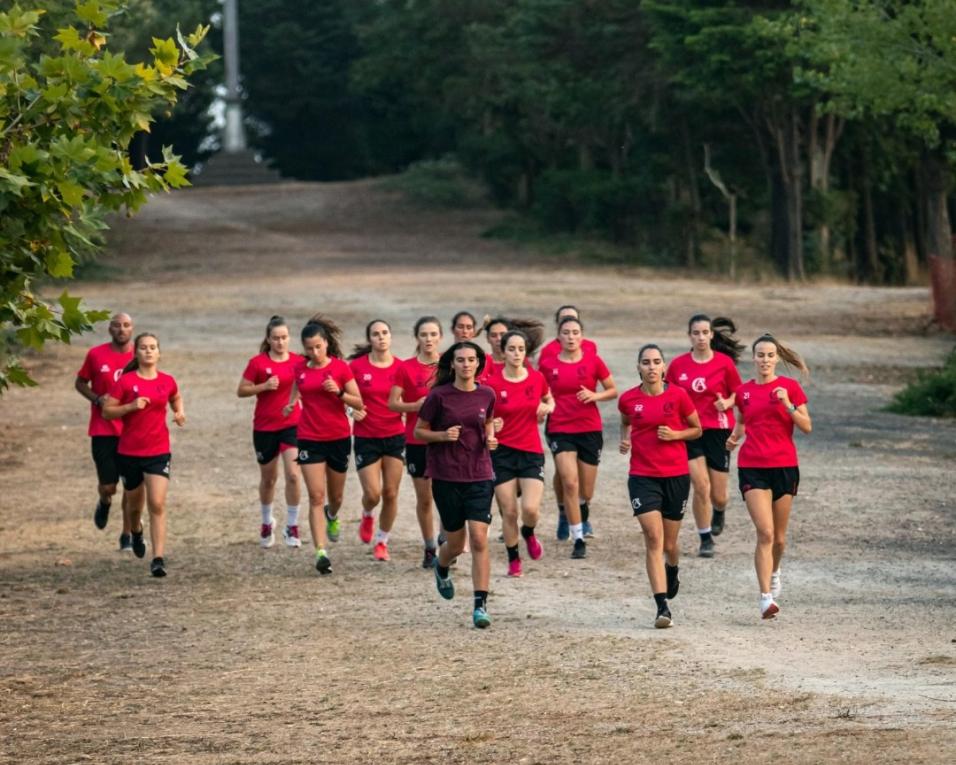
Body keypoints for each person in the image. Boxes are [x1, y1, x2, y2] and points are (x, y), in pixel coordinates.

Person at [727, 334, 811, 620]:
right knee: (765, 532)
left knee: (780, 540)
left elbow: (807, 426)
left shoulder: (790, 388)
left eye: (770, 355)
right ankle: (765, 598)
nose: (765, 360)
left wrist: (787, 404)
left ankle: (775, 570)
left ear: (777, 358)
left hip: (784, 467)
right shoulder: (743, 391)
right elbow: (741, 421)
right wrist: (734, 438)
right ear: (754, 359)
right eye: (760, 355)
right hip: (752, 466)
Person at [415, 341, 498, 628]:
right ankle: (441, 566)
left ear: (478, 363)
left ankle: (480, 605)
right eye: (460, 360)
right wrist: (442, 436)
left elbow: (486, 421)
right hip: (447, 476)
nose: (466, 364)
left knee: (478, 538)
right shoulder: (439, 396)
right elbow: (419, 431)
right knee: (455, 543)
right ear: (452, 364)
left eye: (471, 360)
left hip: (480, 474)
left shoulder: (487, 393)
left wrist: (491, 437)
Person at [619, 344, 701, 628]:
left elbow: (697, 429)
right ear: (638, 368)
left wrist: (676, 434)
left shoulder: (678, 395)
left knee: (669, 543)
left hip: (676, 476)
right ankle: (662, 607)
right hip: (642, 476)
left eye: (656, 362)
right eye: (646, 362)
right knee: (653, 538)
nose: (651, 367)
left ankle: (673, 568)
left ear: (664, 367)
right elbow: (626, 421)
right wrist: (625, 438)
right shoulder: (628, 399)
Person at [284, 315, 364, 575]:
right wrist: (290, 402)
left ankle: (333, 514)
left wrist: (339, 392)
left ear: (326, 344)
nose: (314, 352)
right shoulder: (300, 368)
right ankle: (321, 551)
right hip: (309, 437)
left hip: (338, 437)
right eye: (309, 348)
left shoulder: (341, 368)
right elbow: (297, 386)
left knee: (335, 497)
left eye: (318, 346)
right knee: (316, 496)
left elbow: (358, 402)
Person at [102, 332, 185, 577]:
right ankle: (136, 530)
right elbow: (107, 412)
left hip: (158, 451)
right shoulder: (126, 382)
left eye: (152, 347)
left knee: (157, 503)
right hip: (129, 453)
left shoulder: (167, 380)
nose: (148, 351)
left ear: (159, 352)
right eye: (143, 348)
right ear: (136, 353)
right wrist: (129, 406)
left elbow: (175, 397)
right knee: (134, 507)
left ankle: (158, 558)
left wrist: (179, 412)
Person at [538, 315, 617, 559]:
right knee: (569, 482)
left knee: (586, 491)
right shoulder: (549, 364)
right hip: (560, 428)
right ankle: (578, 537)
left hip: (589, 428)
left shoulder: (594, 361)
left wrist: (595, 396)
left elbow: (612, 390)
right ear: (558, 337)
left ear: (582, 336)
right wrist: (542, 407)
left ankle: (581, 513)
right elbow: (539, 392)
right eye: (566, 333)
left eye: (575, 332)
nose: (571, 337)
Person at [667, 315, 744, 557]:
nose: (700, 337)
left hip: (718, 429)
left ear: (711, 335)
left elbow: (738, 394)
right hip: (690, 431)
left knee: (718, 495)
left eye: (704, 332)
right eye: (696, 333)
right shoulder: (678, 365)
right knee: (700, 485)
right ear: (689, 336)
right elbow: (667, 395)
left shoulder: (724, 364)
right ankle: (705, 537)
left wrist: (727, 402)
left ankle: (719, 510)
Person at [485, 330, 553, 576]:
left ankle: (529, 532)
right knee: (509, 511)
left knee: (530, 510)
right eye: (511, 349)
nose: (516, 354)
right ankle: (514, 559)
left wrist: (547, 407)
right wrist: (492, 426)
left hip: (530, 452)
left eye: (521, 349)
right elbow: (482, 417)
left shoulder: (536, 378)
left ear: (526, 352)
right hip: (501, 454)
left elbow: (549, 398)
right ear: (503, 352)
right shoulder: (492, 384)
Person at [236, 315, 303, 549]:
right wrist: (263, 386)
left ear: (289, 338)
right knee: (269, 478)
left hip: (292, 425)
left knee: (294, 475)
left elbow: (308, 385)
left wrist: (296, 401)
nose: (280, 342)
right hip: (265, 427)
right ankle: (267, 521)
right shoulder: (257, 363)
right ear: (268, 339)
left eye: (284, 338)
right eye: (276, 338)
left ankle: (292, 525)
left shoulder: (298, 361)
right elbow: (241, 390)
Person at [75, 313, 135, 550]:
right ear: (110, 329)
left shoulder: (140, 356)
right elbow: (80, 383)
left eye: (126, 325)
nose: (121, 329)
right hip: (103, 429)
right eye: (117, 325)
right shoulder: (96, 355)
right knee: (110, 485)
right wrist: (98, 399)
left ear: (132, 329)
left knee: (131, 486)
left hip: (131, 431)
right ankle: (104, 500)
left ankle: (127, 534)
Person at [538, 305, 598, 539]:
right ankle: (565, 514)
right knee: (566, 475)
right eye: (564, 322)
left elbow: (597, 378)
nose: (570, 330)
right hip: (559, 421)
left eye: (574, 322)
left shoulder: (590, 347)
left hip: (586, 423)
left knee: (584, 482)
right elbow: (541, 386)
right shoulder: (548, 352)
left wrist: (594, 396)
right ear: (558, 327)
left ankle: (581, 512)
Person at [348, 319, 404, 561]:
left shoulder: (401, 368)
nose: (381, 337)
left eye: (384, 333)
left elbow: (414, 396)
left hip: (394, 435)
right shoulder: (356, 367)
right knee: (373, 494)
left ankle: (382, 541)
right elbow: (342, 397)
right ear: (369, 339)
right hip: (366, 436)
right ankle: (368, 513)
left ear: (390, 337)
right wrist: (352, 411)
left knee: (391, 493)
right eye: (376, 334)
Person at [389, 316, 443, 568]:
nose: (429, 339)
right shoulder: (406, 368)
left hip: (446, 440)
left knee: (447, 494)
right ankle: (430, 546)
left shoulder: (450, 366)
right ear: (417, 338)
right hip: (416, 440)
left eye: (433, 334)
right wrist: (415, 406)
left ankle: (446, 540)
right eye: (424, 334)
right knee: (425, 498)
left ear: (440, 337)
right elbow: (392, 403)